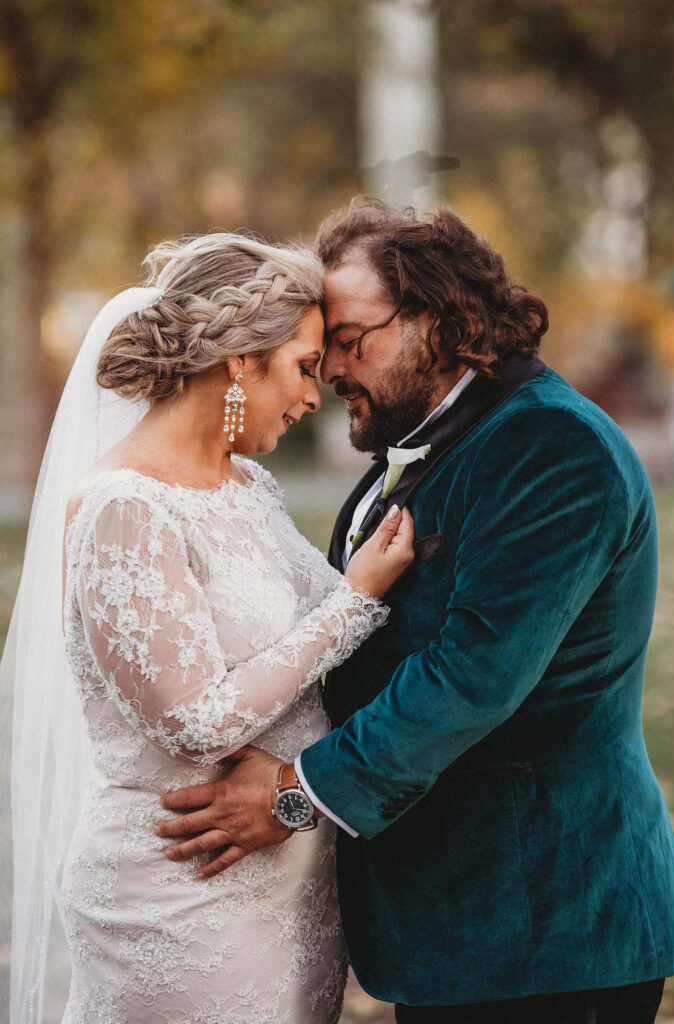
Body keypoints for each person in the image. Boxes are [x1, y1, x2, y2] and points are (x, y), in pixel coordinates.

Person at [156, 203, 674, 1024]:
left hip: (547, 928)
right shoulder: (432, 444)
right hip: (464, 929)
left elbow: (472, 674)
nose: (328, 367)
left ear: (440, 320)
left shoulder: (550, 446)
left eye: (349, 339)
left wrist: (293, 797)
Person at [3, 232, 415, 1024]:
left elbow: (326, 650)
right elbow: (194, 723)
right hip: (179, 895)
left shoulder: (250, 485)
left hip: (290, 885)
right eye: (301, 366)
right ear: (237, 359)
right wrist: (355, 599)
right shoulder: (125, 507)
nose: (311, 395)